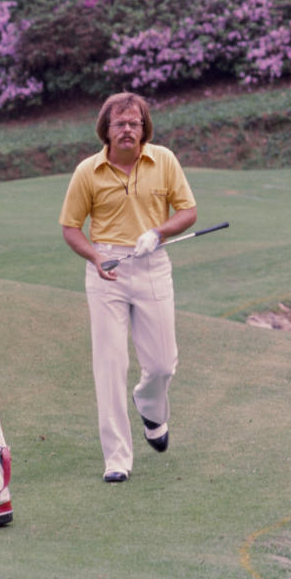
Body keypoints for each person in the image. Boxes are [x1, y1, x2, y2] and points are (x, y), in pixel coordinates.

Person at [59, 92, 197, 483]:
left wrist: (158, 231)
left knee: (162, 364)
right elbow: (71, 228)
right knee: (110, 363)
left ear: (143, 128)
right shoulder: (88, 170)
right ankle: (117, 458)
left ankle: (151, 406)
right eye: (119, 123)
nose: (127, 130)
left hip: (152, 262)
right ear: (106, 128)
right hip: (108, 268)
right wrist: (94, 256)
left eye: (134, 123)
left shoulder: (164, 160)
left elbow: (188, 211)